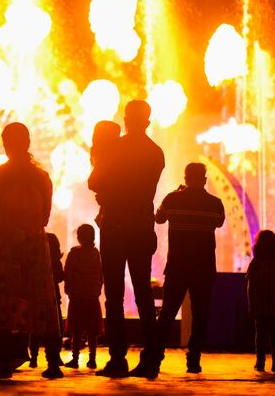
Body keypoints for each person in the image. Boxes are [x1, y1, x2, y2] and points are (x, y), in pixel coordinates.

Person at [88, 100, 164, 378]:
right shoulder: (156, 152)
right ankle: (151, 356)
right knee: (143, 292)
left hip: (116, 223)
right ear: (148, 120)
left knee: (115, 295)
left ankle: (118, 357)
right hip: (142, 224)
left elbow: (94, 181)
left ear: (125, 118)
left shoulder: (115, 148)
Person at [0, 122, 63, 379]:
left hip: (5, 247)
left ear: (6, 145)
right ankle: (52, 360)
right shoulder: (42, 178)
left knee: (3, 302)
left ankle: (4, 360)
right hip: (34, 245)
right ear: (28, 143)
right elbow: (45, 215)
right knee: (42, 300)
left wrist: (11, 231)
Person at [150, 163, 225, 374]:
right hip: (204, 267)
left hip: (177, 266)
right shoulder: (215, 203)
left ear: (185, 177)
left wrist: (177, 192)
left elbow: (158, 218)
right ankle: (194, 359)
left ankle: (156, 358)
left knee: (167, 314)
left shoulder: (173, 199)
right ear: (204, 179)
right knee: (200, 314)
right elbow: (219, 223)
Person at [247, 230, 275, 373]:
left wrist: (251, 306)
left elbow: (251, 287)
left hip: (260, 305)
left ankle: (260, 362)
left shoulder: (255, 264)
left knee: (260, 335)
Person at [63, 224, 102, 370]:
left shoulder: (74, 253)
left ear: (79, 237)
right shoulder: (95, 253)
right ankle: (92, 359)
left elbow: (68, 273)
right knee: (93, 330)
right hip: (92, 297)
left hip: (77, 296)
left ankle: (75, 359)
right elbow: (100, 273)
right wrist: (97, 290)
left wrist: (69, 289)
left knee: (76, 329)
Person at [29, 231, 64, 369]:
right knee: (55, 328)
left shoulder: (36, 262)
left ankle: (34, 357)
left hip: (36, 297)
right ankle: (55, 356)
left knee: (35, 329)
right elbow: (60, 277)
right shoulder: (56, 262)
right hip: (54, 298)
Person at [90, 121, 121, 228]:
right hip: (114, 212)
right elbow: (93, 182)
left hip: (113, 212)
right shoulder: (108, 156)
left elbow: (92, 182)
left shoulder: (105, 156)